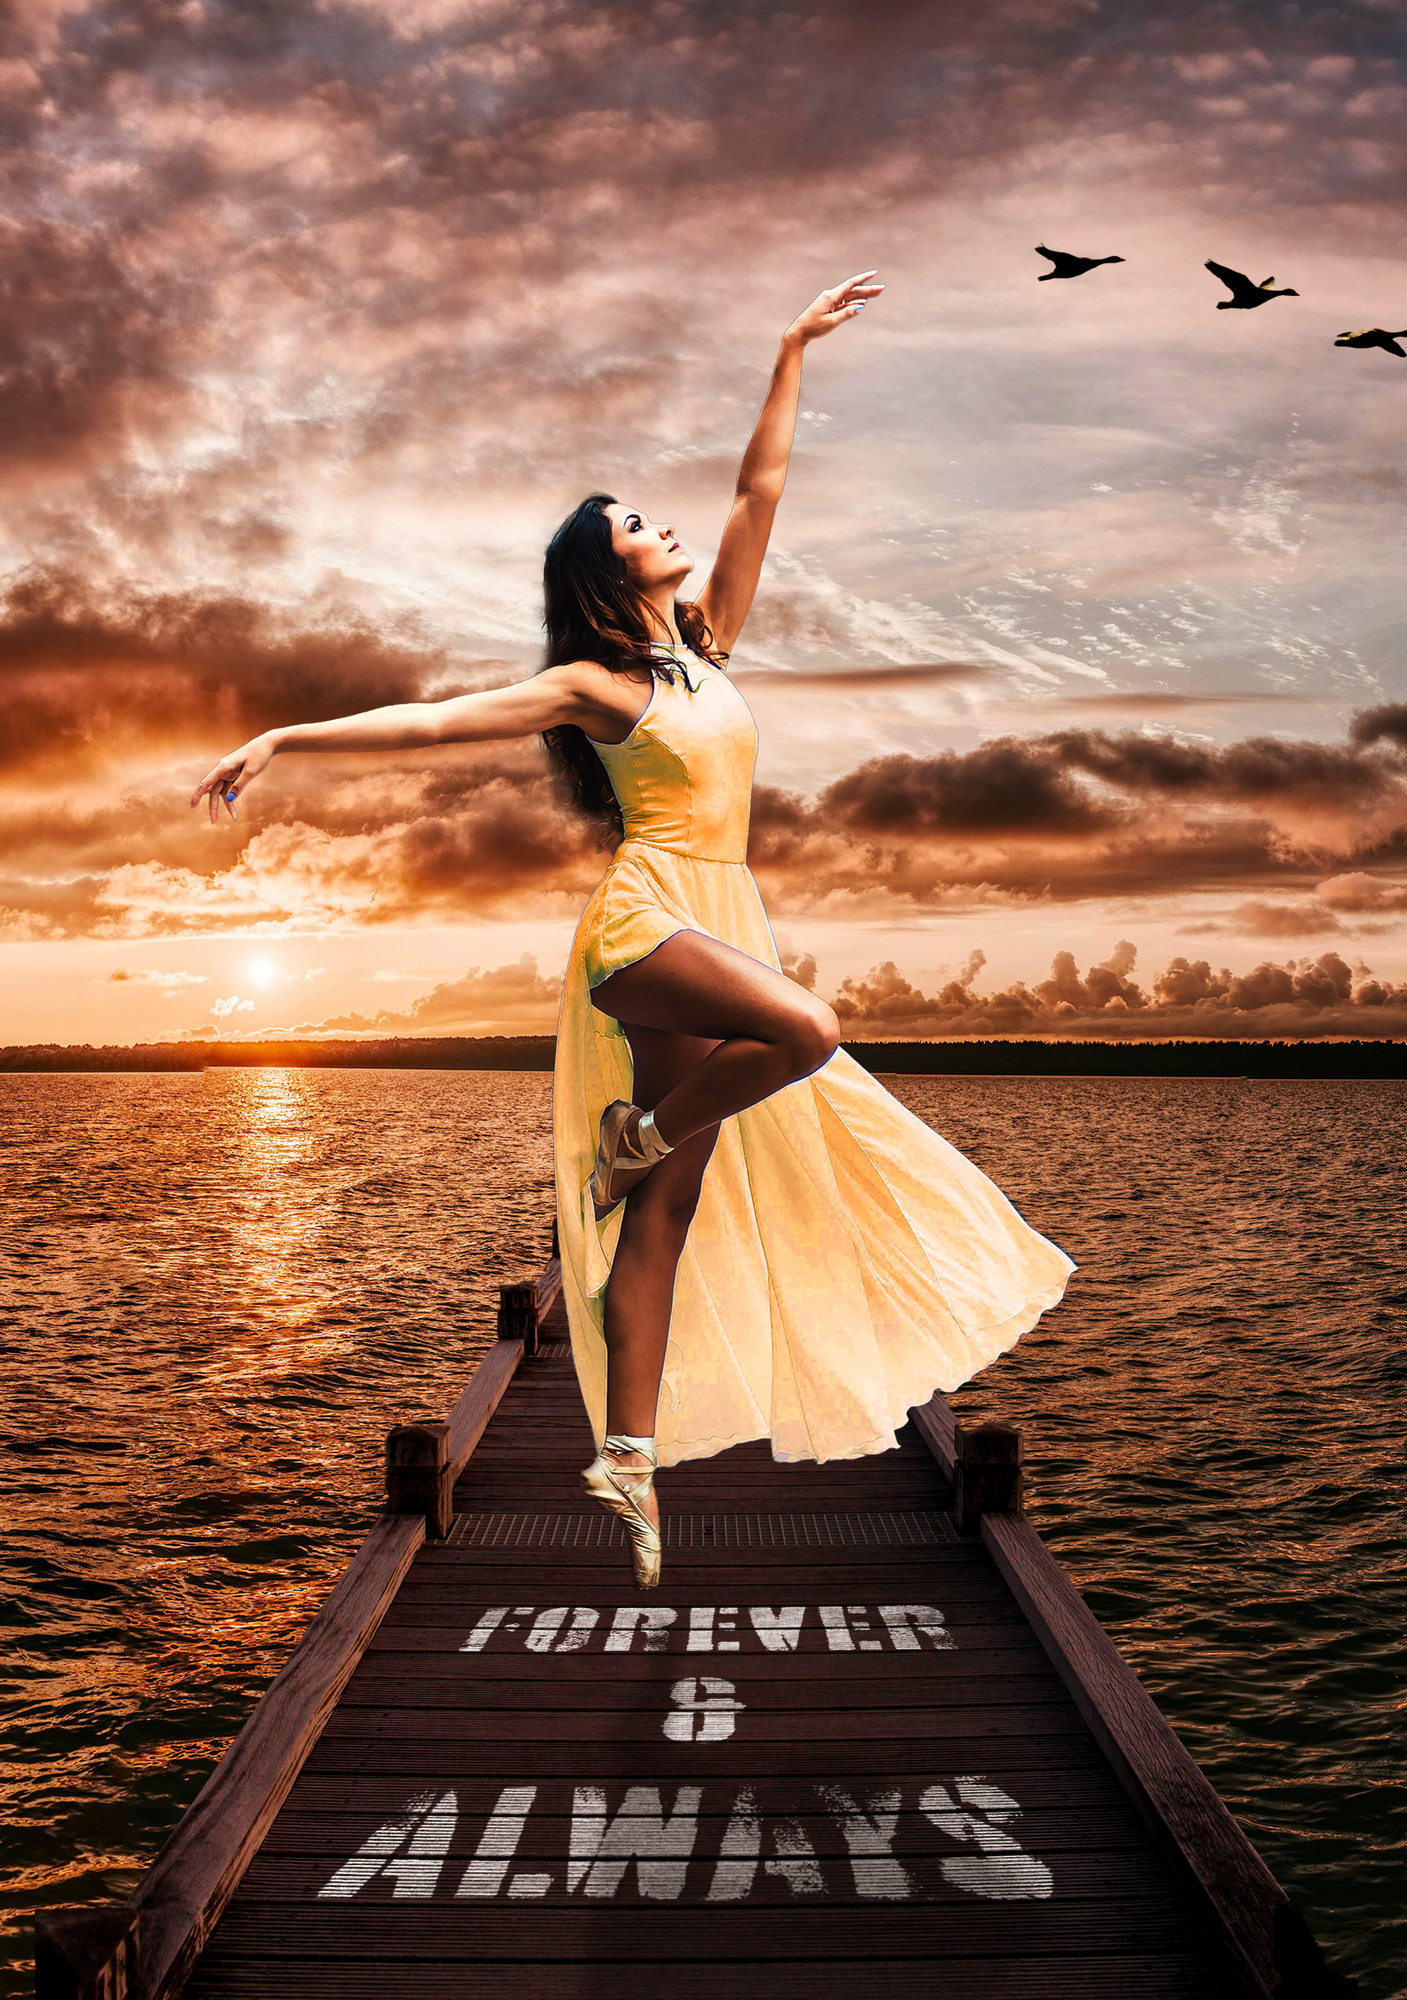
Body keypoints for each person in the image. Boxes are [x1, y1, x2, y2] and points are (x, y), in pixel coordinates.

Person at [193, 273, 1075, 1587]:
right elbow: (435, 723)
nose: (662, 528)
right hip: (646, 922)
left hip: (727, 912)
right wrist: (284, 737)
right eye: (635, 525)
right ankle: (637, 1133)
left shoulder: (706, 650)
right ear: (605, 570)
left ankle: (628, 1457)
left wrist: (788, 353)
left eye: (654, 518)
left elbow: (756, 495)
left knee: (660, 1218)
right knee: (811, 1032)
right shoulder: (595, 684)